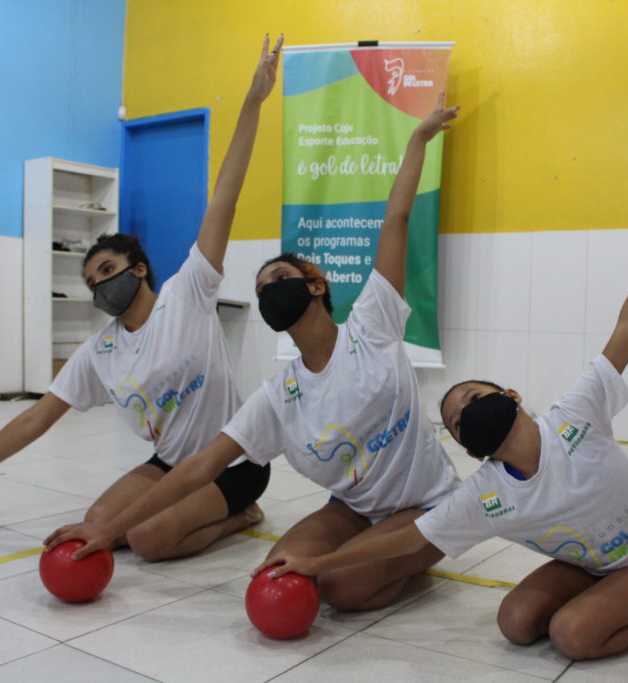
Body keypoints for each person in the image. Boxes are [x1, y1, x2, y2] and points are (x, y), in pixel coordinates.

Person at [256, 170, 628, 659]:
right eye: (458, 420)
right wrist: (322, 563)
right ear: (466, 448)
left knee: (573, 636)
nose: (468, 412)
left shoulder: (577, 414)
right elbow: (405, 541)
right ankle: (604, 596)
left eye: (473, 398)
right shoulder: (486, 494)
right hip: (586, 562)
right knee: (516, 624)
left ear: (511, 394)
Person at [46, 95, 464, 611]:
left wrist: (419, 139)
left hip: (426, 503)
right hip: (354, 507)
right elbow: (201, 467)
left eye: (280, 279)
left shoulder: (372, 324)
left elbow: (397, 217)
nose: (268, 290)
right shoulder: (280, 394)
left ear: (315, 284)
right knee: (273, 578)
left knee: (341, 587)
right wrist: (111, 529)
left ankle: (410, 554)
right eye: (262, 286)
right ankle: (374, 552)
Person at [0, 35, 284, 562]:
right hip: (169, 464)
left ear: (139, 270)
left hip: (234, 463)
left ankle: (241, 514)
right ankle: (182, 510)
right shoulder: (102, 351)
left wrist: (253, 100)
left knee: (145, 539)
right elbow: (34, 421)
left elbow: (224, 199)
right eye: (91, 279)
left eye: (108, 270)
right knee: (98, 524)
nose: (99, 284)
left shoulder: (187, 292)